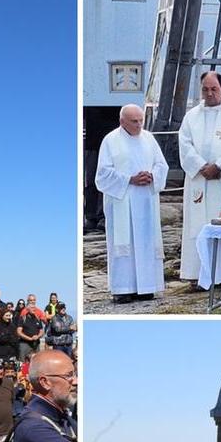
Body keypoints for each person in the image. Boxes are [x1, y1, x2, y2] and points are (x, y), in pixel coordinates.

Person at [178, 71, 221, 287]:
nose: (209, 93)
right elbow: (184, 144)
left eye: (213, 89)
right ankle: (197, 274)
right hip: (200, 180)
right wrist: (201, 166)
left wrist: (218, 166)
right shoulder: (192, 116)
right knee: (198, 226)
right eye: (205, 89)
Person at [95, 103, 168, 301]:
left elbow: (162, 165)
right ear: (122, 121)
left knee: (146, 242)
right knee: (123, 243)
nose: (138, 125)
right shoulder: (110, 141)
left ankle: (147, 286)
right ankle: (123, 289)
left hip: (145, 200)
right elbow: (102, 174)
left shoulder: (149, 139)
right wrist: (130, 179)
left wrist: (152, 175)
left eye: (141, 121)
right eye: (134, 121)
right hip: (123, 202)